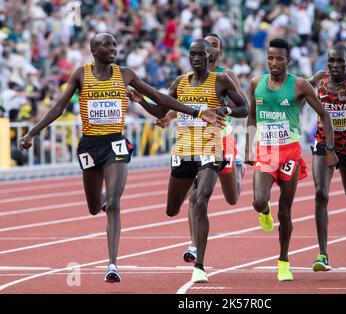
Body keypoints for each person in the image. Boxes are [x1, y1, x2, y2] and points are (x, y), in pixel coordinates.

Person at [18, 33, 223, 284]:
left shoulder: (126, 74)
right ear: (94, 50)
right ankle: (102, 202)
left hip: (115, 143)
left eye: (115, 44)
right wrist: (32, 133)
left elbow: (160, 99)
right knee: (95, 207)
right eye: (107, 44)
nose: (113, 48)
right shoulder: (80, 74)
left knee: (114, 203)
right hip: (90, 146)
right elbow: (58, 107)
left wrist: (198, 111)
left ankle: (112, 264)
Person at [133, 39, 248, 283]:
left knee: (200, 200)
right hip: (184, 151)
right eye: (192, 54)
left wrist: (224, 111)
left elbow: (244, 108)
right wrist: (141, 100)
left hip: (210, 148)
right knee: (172, 209)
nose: (196, 58)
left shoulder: (221, 80)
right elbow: (161, 111)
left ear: (209, 57)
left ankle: (199, 265)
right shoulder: (180, 82)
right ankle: (235, 168)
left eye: (201, 54)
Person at [245, 38, 338, 281]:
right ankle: (263, 211)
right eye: (270, 58)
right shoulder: (256, 83)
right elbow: (252, 118)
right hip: (266, 151)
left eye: (279, 58)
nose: (274, 63)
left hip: (289, 153)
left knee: (285, 212)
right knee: (258, 200)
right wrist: (248, 148)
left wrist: (329, 148)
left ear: (288, 61)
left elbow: (325, 116)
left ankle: (283, 260)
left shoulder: (299, 86)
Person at [307, 44, 346, 272]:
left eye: (340, 61)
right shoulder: (319, 78)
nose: (334, 65)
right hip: (323, 144)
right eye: (331, 60)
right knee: (321, 193)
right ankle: (323, 254)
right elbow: (299, 89)